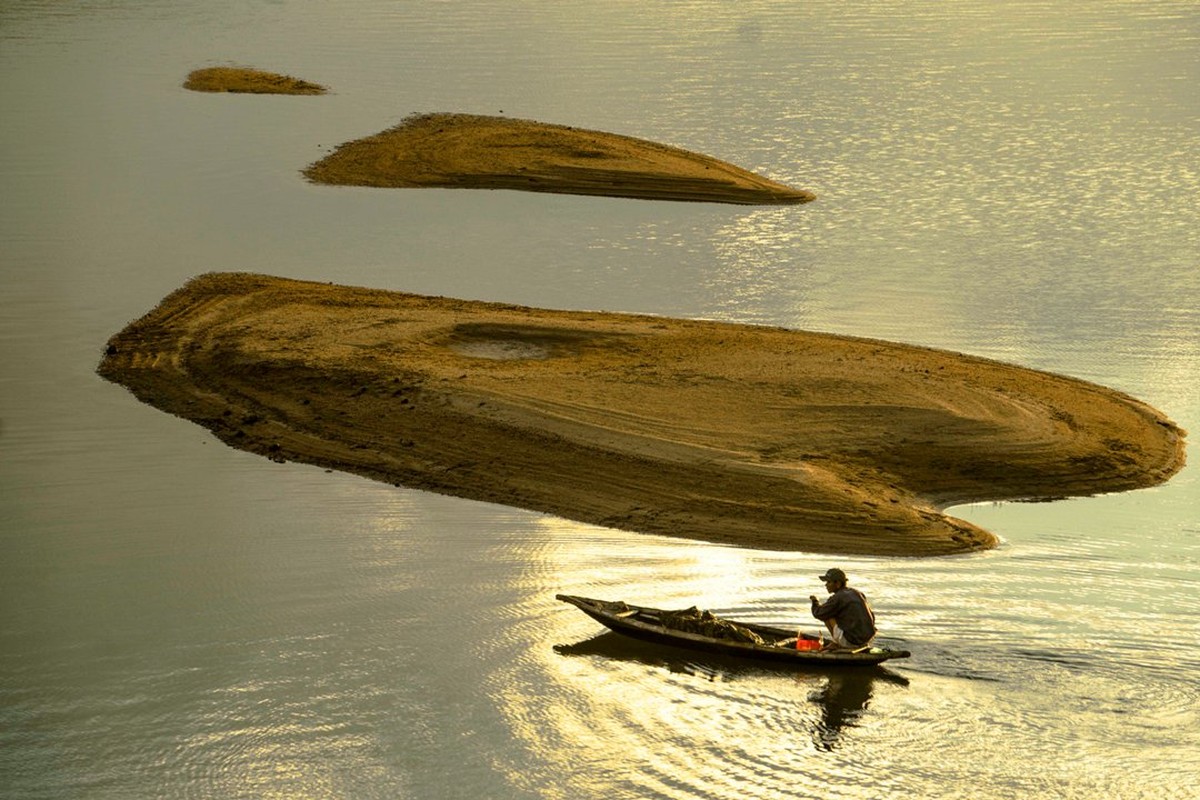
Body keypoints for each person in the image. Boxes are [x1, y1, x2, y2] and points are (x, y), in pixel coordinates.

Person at [809, 568, 876, 650]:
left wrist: (815, 602)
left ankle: (836, 643)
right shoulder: (857, 593)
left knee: (827, 616)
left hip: (852, 641)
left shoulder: (838, 597)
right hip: (867, 639)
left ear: (838, 583)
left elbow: (819, 613)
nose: (826, 585)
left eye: (829, 582)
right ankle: (846, 642)